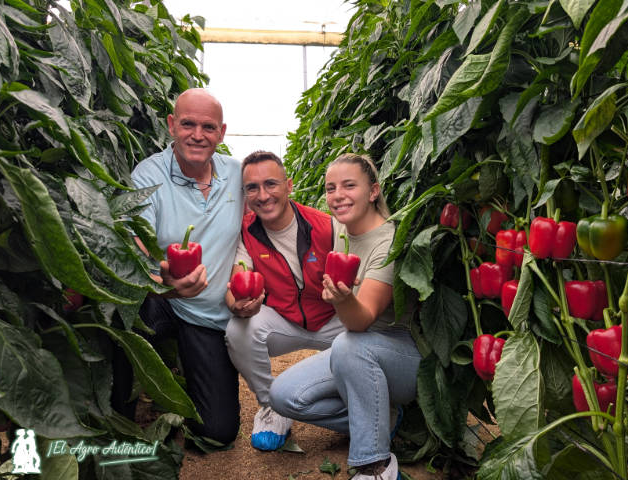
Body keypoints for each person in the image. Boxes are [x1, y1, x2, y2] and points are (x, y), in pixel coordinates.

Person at [269, 153, 421, 480]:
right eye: (331, 188)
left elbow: (361, 321)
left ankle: (376, 465)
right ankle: (385, 419)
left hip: (404, 355)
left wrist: (343, 299)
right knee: (283, 396)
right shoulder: (341, 231)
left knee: (348, 343)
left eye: (349, 186)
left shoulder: (389, 242)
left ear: (373, 191)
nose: (338, 195)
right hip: (359, 350)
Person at [114, 88, 244, 446]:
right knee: (124, 313)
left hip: (209, 315)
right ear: (172, 125)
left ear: (222, 133)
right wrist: (164, 281)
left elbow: (266, 218)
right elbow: (137, 247)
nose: (198, 135)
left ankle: (187, 380)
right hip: (160, 300)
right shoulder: (149, 175)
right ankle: (120, 412)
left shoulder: (237, 174)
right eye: (188, 124)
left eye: (208, 127)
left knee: (218, 431)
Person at [224, 151, 345, 451]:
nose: (263, 195)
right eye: (252, 188)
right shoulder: (246, 231)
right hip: (285, 321)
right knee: (239, 329)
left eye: (271, 184)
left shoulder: (326, 227)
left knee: (367, 340)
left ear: (288, 185)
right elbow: (238, 275)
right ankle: (272, 406)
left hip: (333, 320)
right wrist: (236, 303)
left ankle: (358, 399)